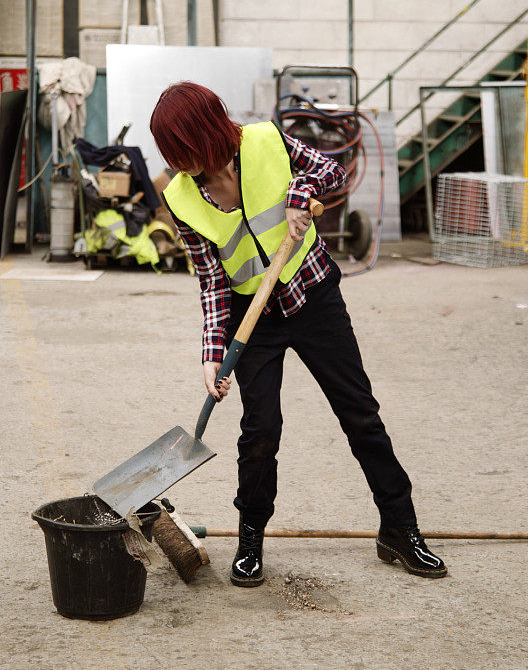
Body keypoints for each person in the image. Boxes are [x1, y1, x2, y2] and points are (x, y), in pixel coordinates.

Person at [150, 81, 446, 585]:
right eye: (172, 156)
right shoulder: (181, 197)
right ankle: (250, 539)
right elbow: (211, 283)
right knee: (260, 431)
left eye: (185, 152)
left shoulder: (266, 141)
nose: (180, 165)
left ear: (206, 134)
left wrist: (298, 193)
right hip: (252, 318)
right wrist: (212, 354)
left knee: (360, 415)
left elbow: (332, 170)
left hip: (313, 298)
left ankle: (400, 528)